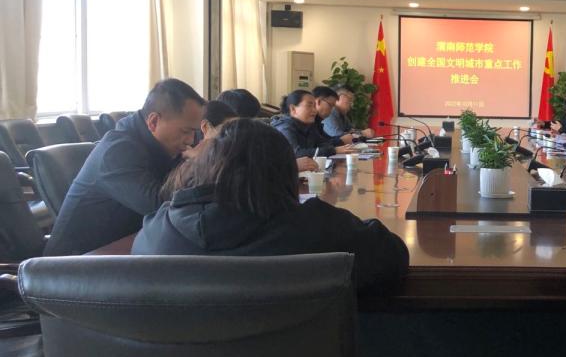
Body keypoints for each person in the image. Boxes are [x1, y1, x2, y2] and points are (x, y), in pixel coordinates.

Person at [133, 118, 408, 294]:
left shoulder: (157, 231)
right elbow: (392, 257)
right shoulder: (316, 228)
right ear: (285, 171)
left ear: (204, 167)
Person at [45, 78, 205, 256]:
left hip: (121, 248)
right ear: (153, 122)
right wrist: (198, 164)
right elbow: (162, 207)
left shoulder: (160, 145)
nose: (191, 140)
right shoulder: (117, 151)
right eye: (186, 131)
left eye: (195, 132)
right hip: (74, 263)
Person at [271, 89, 353, 158]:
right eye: (309, 105)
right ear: (293, 109)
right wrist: (333, 150)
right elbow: (296, 153)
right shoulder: (285, 127)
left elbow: (323, 143)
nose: (314, 110)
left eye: (314, 106)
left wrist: (340, 146)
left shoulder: (309, 126)